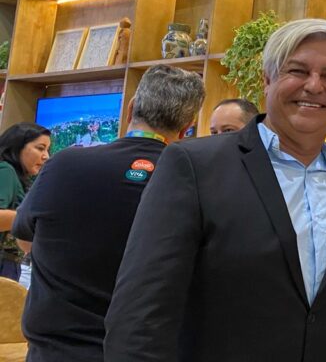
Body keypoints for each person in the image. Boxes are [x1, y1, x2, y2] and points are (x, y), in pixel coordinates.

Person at [104, 19, 326, 362]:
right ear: (267, 79)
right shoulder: (194, 165)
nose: (314, 86)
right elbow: (139, 314)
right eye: (297, 71)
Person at [11, 66, 203, 362]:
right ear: (188, 126)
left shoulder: (64, 164)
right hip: (143, 350)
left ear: (131, 109)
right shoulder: (195, 181)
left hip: (54, 349)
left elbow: (25, 237)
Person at [0, 123, 50, 282]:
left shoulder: (15, 176)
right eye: (40, 148)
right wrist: (34, 218)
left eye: (47, 150)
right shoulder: (6, 171)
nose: (46, 156)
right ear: (18, 147)